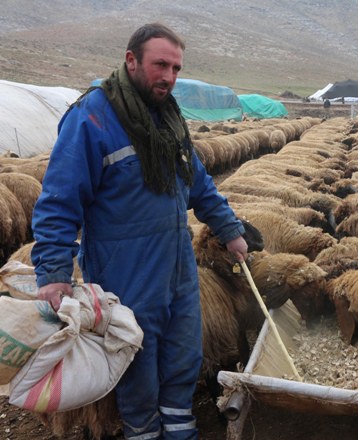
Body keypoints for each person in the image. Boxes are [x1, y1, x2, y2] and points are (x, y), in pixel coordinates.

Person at [30, 23, 248, 440]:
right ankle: (142, 430)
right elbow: (59, 200)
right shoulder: (92, 117)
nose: (168, 76)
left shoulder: (169, 118)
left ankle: (179, 426)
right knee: (136, 355)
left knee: (183, 350)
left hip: (177, 261)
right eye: (160, 64)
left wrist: (230, 229)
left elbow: (197, 182)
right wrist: (54, 272)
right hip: (123, 267)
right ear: (131, 60)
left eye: (176, 68)